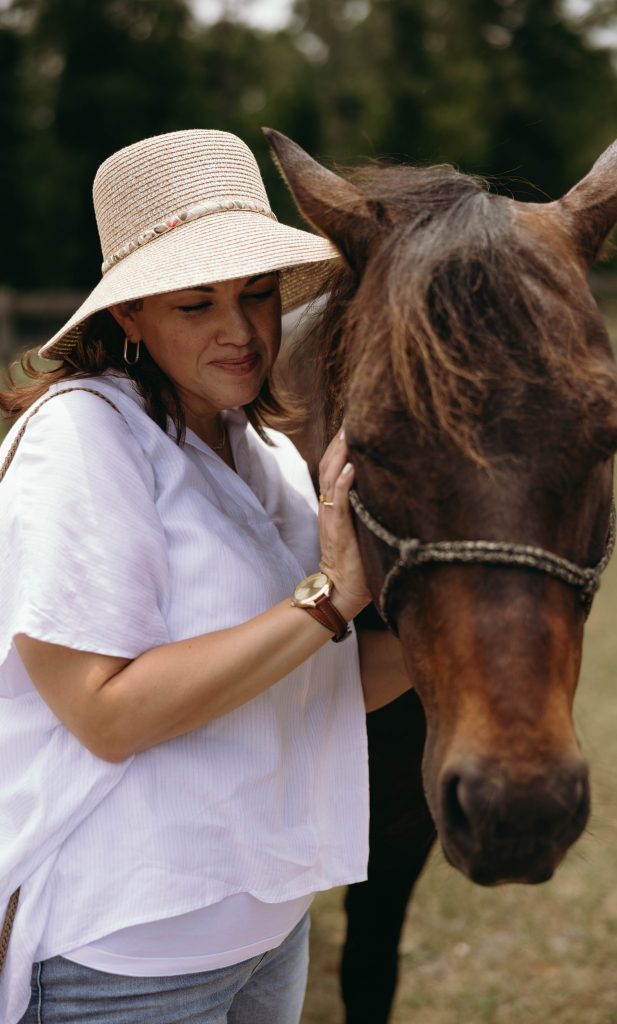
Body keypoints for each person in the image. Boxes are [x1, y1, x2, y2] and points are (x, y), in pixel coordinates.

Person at [0, 128, 410, 1024]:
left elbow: (312, 678)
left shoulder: (263, 449)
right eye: (195, 304)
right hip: (124, 958)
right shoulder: (83, 439)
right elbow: (106, 716)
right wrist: (328, 596)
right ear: (128, 315)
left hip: (269, 930)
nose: (239, 331)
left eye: (257, 295)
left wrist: (471, 609)